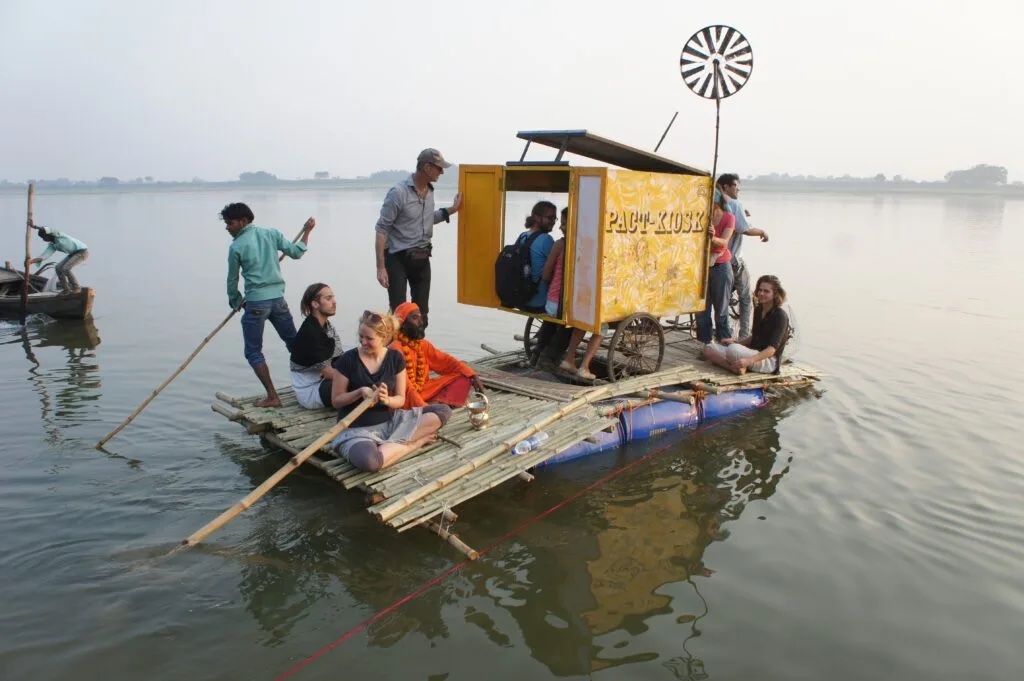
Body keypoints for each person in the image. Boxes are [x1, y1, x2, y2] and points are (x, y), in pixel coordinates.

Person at [329, 310, 451, 473]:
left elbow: (400, 399)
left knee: (442, 411)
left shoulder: (395, 358)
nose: (363, 342)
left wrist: (387, 400)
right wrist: (359, 392)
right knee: (371, 463)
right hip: (356, 430)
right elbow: (336, 400)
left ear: (384, 338)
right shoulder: (347, 360)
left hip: (390, 424)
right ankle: (413, 444)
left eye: (369, 338)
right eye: (361, 337)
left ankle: (388, 447)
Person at [223, 202, 315, 408]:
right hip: (278, 300)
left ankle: (273, 397)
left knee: (253, 351)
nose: (227, 227)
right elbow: (297, 252)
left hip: (256, 303)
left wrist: (236, 301)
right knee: (294, 343)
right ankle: (315, 380)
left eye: (230, 223)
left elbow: (232, 281)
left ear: (243, 221)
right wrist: (307, 232)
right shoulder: (270, 233)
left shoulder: (236, 246)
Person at [374, 148, 463, 327]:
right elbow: (381, 230)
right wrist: (380, 267)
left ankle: (418, 351)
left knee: (422, 314)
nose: (442, 172)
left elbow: (428, 220)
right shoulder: (398, 193)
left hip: (422, 257)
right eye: (439, 168)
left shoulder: (430, 191)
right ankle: (398, 353)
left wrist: (452, 209)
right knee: (399, 313)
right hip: (397, 258)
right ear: (426, 167)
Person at [390, 302, 484, 408]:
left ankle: (435, 404)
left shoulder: (423, 345)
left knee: (464, 376)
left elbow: (446, 361)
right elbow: (405, 386)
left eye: (421, 318)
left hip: (424, 390)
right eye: (415, 318)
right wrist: (424, 408)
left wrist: (473, 375)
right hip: (403, 397)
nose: (421, 322)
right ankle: (432, 406)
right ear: (403, 323)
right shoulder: (395, 349)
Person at [701, 275, 790, 375]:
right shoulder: (759, 310)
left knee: (733, 350)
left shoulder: (780, 316)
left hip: (768, 361)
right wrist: (735, 342)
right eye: (760, 290)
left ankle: (741, 364)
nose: (761, 293)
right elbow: (754, 337)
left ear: (775, 294)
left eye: (766, 291)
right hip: (751, 352)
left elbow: (771, 350)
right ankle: (734, 368)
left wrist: (749, 361)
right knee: (708, 349)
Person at [716, 173, 769, 340]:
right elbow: (744, 229)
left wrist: (742, 213)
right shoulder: (734, 203)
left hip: (715, 259)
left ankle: (718, 334)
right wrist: (762, 232)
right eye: (736, 187)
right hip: (732, 258)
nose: (738, 191)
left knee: (718, 300)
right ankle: (744, 335)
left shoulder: (714, 202)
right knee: (746, 298)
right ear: (725, 187)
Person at [289, 283, 344, 409]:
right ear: (315, 304)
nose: (334, 302)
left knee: (359, 356)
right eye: (328, 299)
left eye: (333, 298)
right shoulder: (310, 333)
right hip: (311, 391)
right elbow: (327, 372)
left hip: (323, 380)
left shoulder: (327, 326)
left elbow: (340, 359)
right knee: (354, 382)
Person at [695, 191, 735, 344]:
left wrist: (713, 237)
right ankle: (704, 343)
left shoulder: (728, 217)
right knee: (701, 309)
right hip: (702, 265)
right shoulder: (701, 216)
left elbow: (725, 242)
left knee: (721, 308)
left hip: (721, 265)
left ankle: (724, 341)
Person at [28, 224, 89, 293]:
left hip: (82, 252)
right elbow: (44, 256)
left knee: (66, 269)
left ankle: (76, 288)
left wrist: (34, 227)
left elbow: (47, 229)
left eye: (44, 237)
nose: (43, 239)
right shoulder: (52, 245)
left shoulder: (58, 235)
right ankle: (66, 289)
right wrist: (31, 261)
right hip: (73, 254)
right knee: (58, 267)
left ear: (48, 235)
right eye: (42, 238)